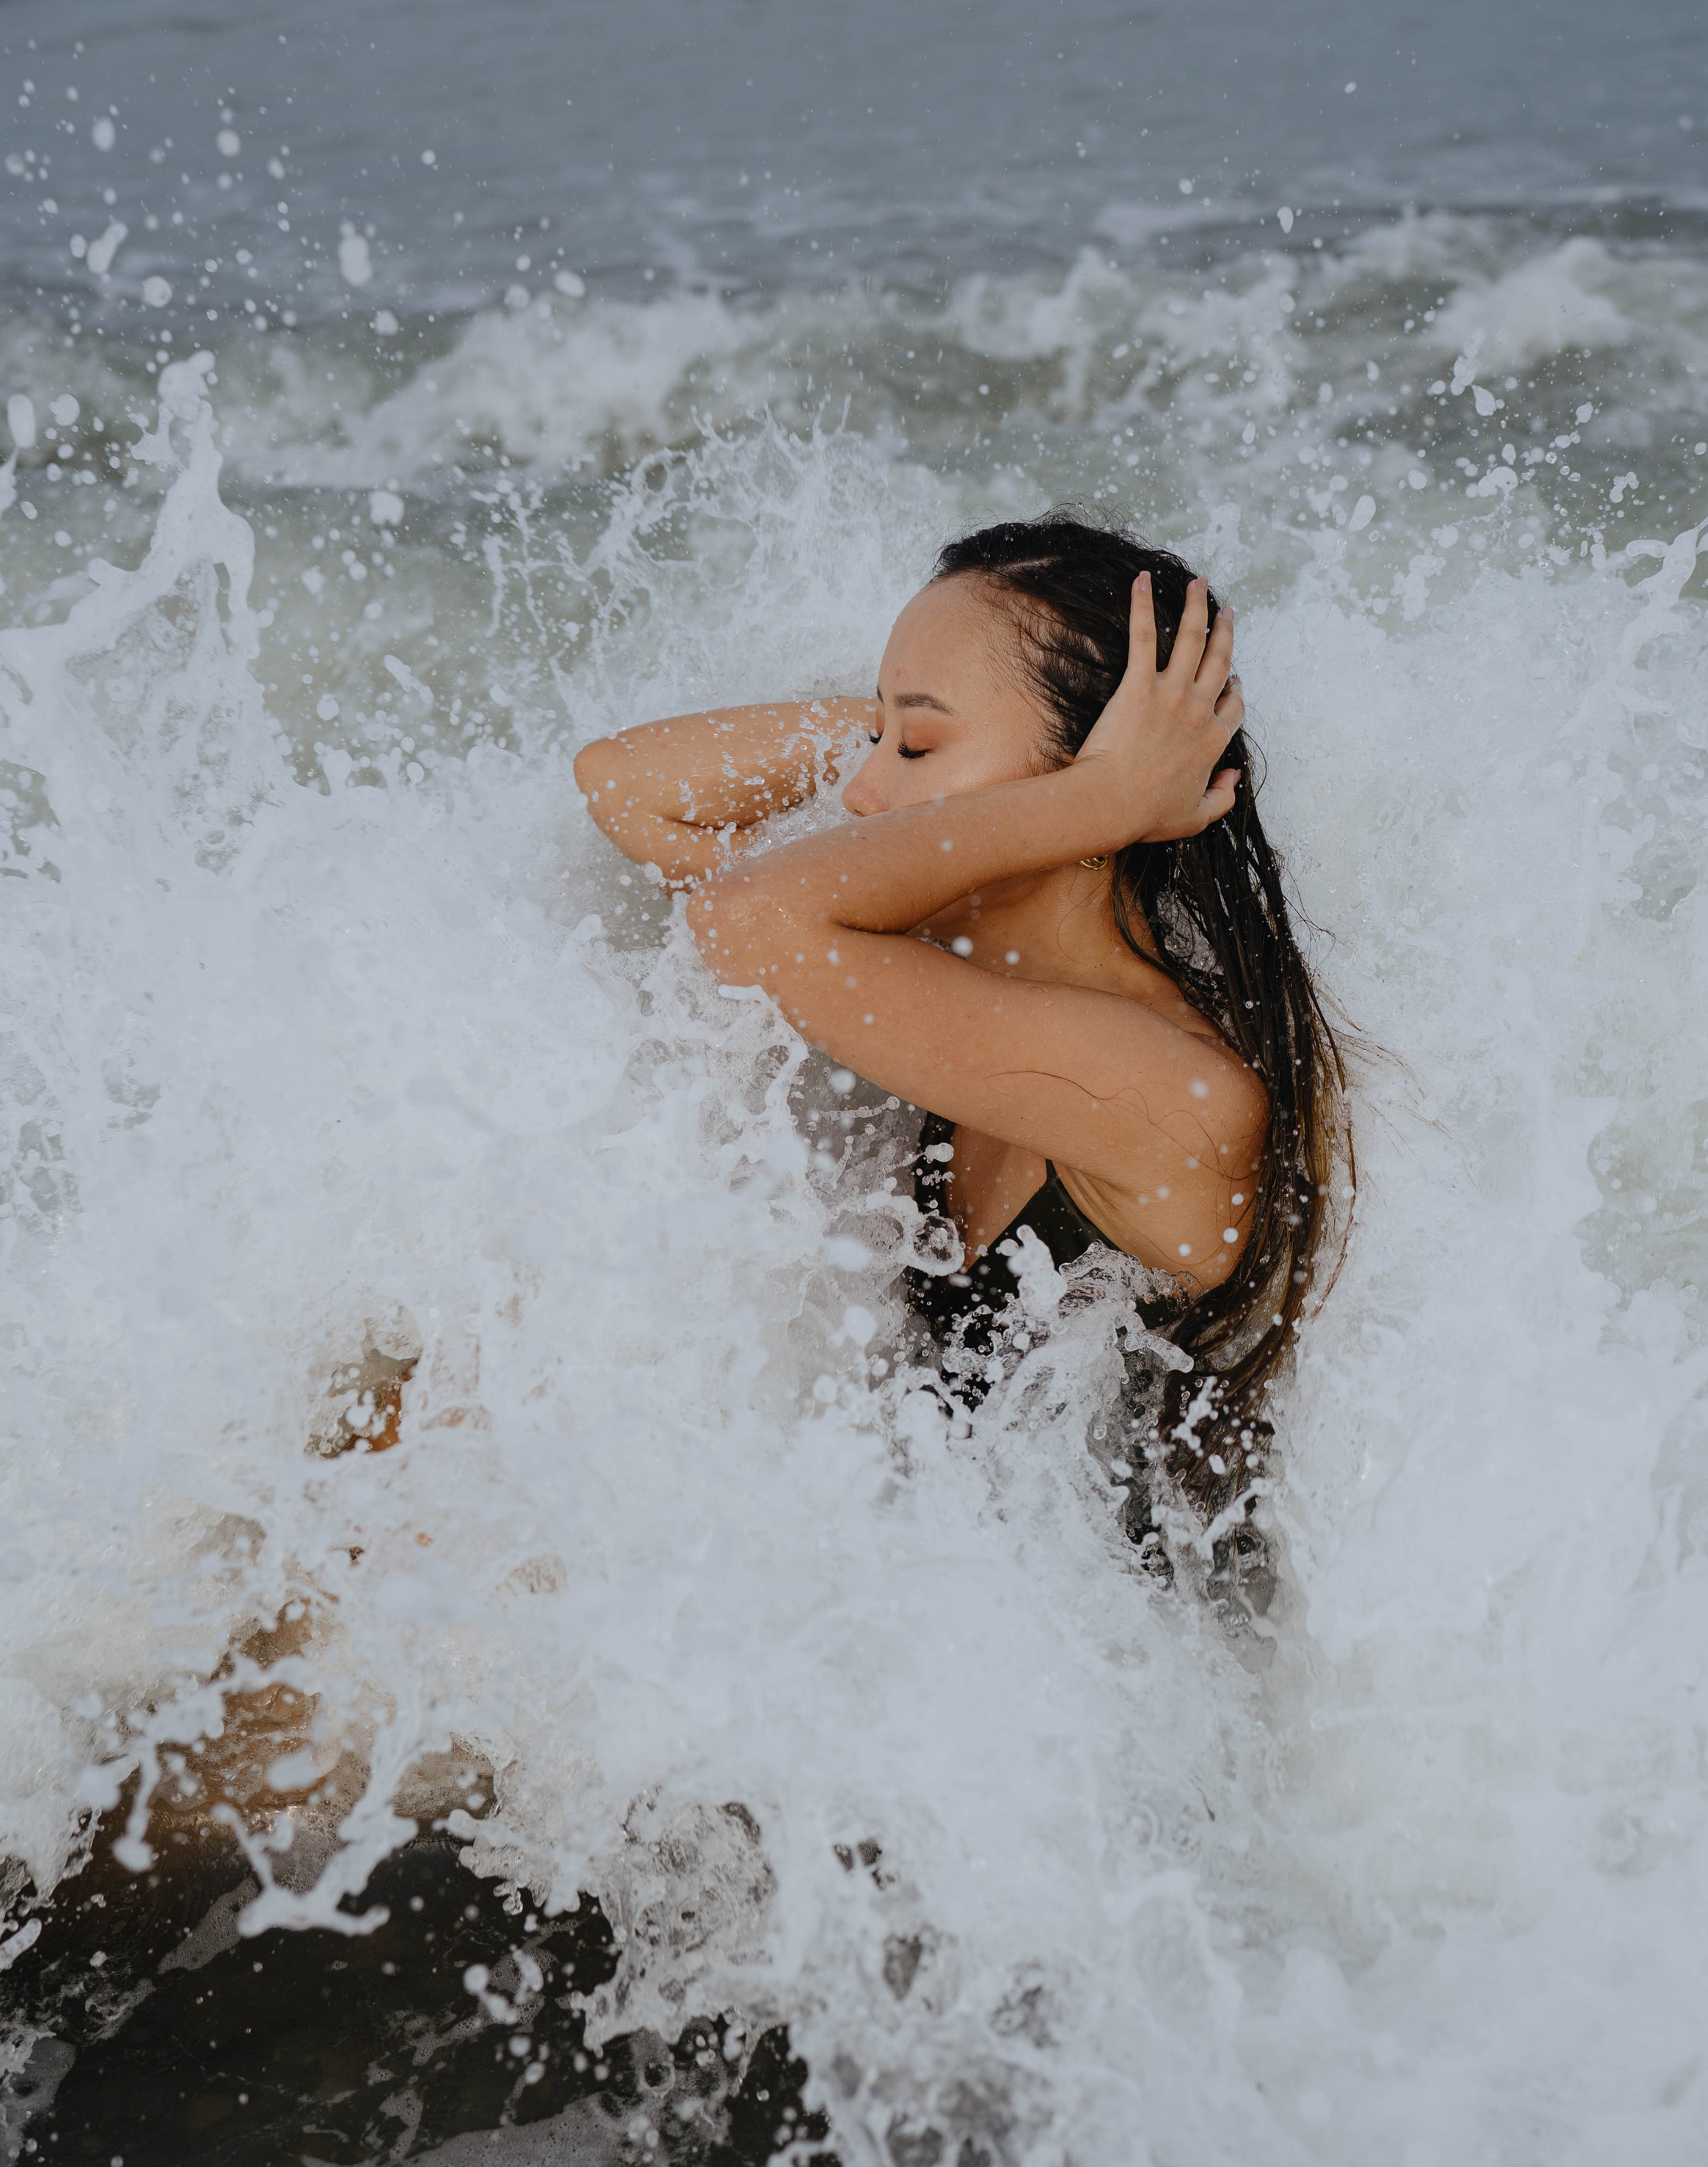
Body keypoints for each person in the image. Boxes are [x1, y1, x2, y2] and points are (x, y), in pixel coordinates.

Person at [574, 513, 1349, 1514]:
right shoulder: (948, 967)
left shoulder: (1167, 1086)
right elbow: (626, 791)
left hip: (1110, 1649)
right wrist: (951, 739)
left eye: (919, 744)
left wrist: (1095, 797)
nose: (859, 792)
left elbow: (742, 914)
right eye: (881, 738)